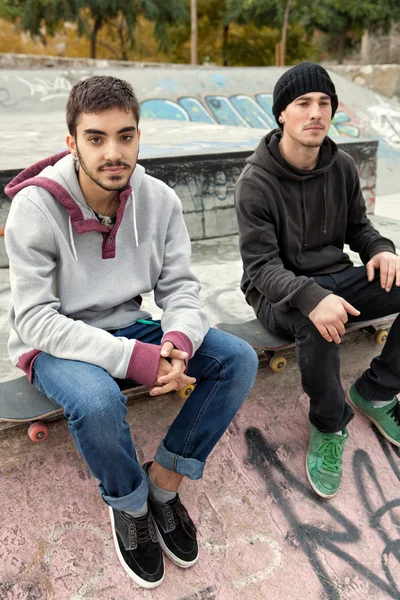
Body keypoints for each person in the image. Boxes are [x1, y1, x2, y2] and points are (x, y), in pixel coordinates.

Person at [4, 75, 258, 589]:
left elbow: (182, 288)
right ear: (72, 142)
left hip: (131, 324)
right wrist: (133, 360)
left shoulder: (159, 200)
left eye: (126, 136)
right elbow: (33, 319)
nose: (113, 152)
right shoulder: (35, 209)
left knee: (238, 359)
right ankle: (131, 502)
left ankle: (164, 482)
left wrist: (178, 341)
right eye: (96, 138)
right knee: (97, 402)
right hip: (56, 342)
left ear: (139, 137)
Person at [235, 62, 400, 499]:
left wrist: (381, 249)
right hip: (276, 292)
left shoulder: (341, 166)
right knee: (317, 319)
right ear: (281, 115)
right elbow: (260, 267)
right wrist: (309, 296)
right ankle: (328, 425)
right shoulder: (255, 182)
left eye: (324, 103)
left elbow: (359, 229)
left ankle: (378, 392)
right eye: (303, 103)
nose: (315, 112)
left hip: (334, 277)